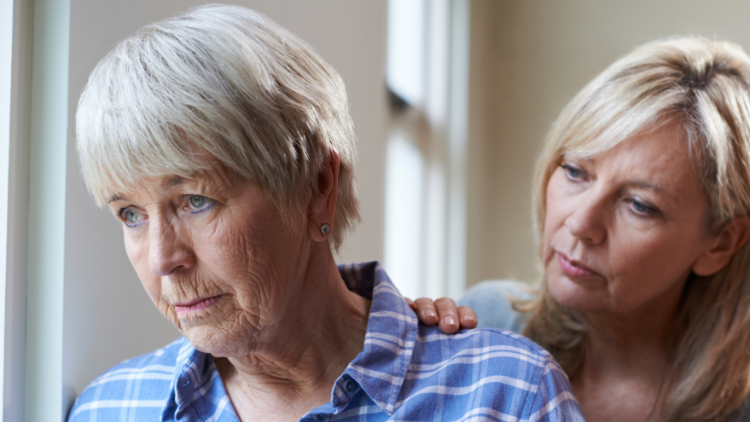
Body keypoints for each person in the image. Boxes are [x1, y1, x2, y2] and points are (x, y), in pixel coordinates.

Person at [67, 5, 583, 422]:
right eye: (130, 214)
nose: (162, 259)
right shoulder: (109, 408)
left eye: (195, 201)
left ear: (318, 186)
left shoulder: (503, 396)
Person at [411, 36, 750, 422]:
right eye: (575, 171)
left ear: (720, 244)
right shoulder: (484, 322)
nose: (580, 222)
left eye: (639, 205)